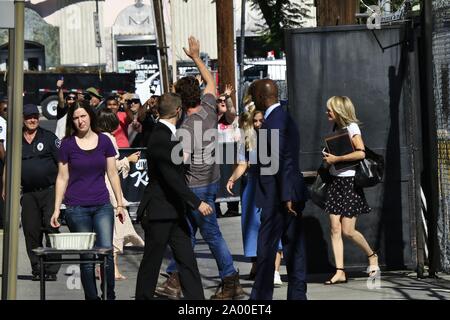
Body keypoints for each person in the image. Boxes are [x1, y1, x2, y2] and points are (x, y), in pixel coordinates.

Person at [156, 36, 244, 300]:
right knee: (188, 233)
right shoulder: (207, 108)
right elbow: (211, 82)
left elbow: (179, 159)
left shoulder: (183, 129)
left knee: (210, 234)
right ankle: (175, 279)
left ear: (181, 103)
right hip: (212, 179)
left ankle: (230, 280)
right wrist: (196, 56)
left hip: (195, 186)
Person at [135, 93, 212, 300]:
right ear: (178, 111)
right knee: (152, 262)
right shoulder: (161, 137)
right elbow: (171, 178)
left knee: (187, 261)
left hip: (175, 212)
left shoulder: (168, 134)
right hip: (160, 211)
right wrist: (197, 202)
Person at [50, 101, 125, 300]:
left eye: (83, 116)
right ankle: (92, 298)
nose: (80, 121)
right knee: (88, 257)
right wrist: (57, 209)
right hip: (76, 208)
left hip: (102, 205)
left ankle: (109, 296)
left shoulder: (104, 141)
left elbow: (112, 174)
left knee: (106, 253)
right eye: (75, 118)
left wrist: (119, 204)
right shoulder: (67, 144)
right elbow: (62, 177)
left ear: (90, 116)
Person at [248, 79, 309, 300]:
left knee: (266, 251)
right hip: (285, 194)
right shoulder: (283, 117)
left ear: (263, 97)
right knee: (294, 249)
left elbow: (282, 160)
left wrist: (286, 196)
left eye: (254, 95)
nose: (252, 99)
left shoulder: (273, 122)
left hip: (279, 198)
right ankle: (298, 296)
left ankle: (260, 299)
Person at [322, 96, 379, 285]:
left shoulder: (352, 128)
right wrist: (328, 159)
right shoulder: (335, 128)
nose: (327, 112)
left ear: (339, 110)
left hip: (349, 184)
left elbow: (361, 152)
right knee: (334, 228)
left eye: (330, 109)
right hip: (335, 182)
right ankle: (340, 271)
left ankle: (372, 256)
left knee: (348, 230)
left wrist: (336, 159)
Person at [2, 104, 61, 280]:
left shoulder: (49, 138)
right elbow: (8, 165)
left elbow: (63, 166)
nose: (32, 120)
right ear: (23, 118)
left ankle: (51, 270)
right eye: (29, 117)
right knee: (31, 231)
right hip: (27, 194)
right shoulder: (15, 140)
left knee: (51, 228)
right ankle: (37, 268)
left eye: (35, 116)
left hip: (50, 191)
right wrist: (5, 186)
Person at [226, 107, 284, 286]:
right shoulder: (246, 140)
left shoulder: (274, 137)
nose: (258, 124)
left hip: (271, 186)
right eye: (255, 121)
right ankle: (257, 265)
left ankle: (275, 272)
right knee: (252, 227)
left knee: (273, 227)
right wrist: (232, 178)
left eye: (261, 121)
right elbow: (242, 164)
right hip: (251, 187)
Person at [97, 108, 144, 281]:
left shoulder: (95, 138)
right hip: (109, 188)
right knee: (116, 227)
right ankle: (112, 268)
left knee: (107, 229)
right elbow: (111, 166)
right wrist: (129, 160)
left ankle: (102, 267)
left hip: (99, 186)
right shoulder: (108, 138)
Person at [216, 84, 240, 218]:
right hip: (215, 155)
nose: (223, 102)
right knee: (217, 180)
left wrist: (227, 96)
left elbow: (230, 109)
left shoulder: (231, 117)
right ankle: (216, 208)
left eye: (224, 101)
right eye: (220, 101)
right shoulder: (211, 118)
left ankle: (233, 207)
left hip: (231, 154)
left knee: (232, 178)